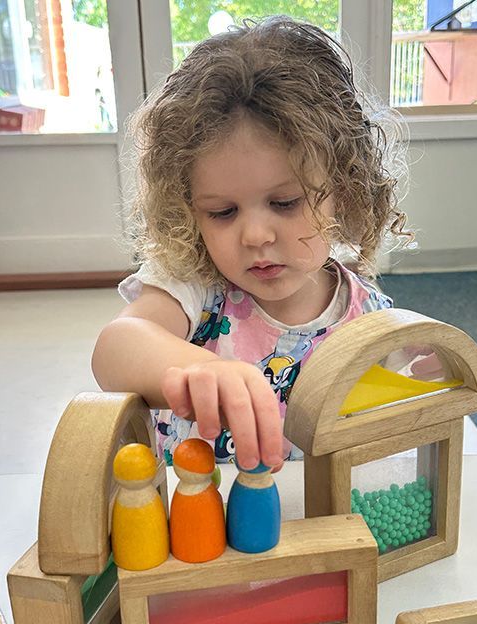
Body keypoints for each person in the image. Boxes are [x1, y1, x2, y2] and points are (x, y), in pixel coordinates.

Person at [92, 16, 410, 473]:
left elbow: (393, 420)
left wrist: (425, 377)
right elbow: (115, 348)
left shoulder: (368, 316)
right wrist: (197, 369)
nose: (256, 235)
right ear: (187, 208)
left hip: (313, 527)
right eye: (222, 212)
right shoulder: (193, 287)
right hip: (199, 526)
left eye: (285, 202)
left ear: (344, 190)